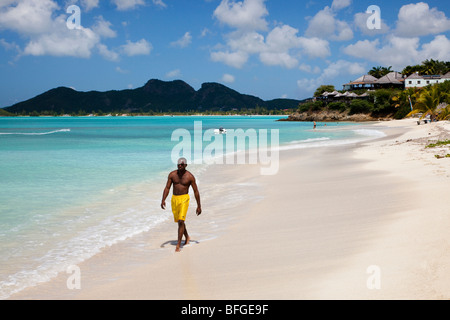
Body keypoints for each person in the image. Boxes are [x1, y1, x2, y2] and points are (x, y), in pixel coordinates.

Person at [161, 158, 202, 252]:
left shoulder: (190, 177)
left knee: (181, 220)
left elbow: (196, 191)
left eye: (182, 164)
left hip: (184, 199)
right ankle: (187, 237)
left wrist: (199, 206)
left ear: (186, 165)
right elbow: (167, 188)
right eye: (178, 164)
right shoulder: (172, 175)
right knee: (180, 222)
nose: (180, 165)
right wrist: (163, 199)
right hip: (174, 199)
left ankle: (178, 245)